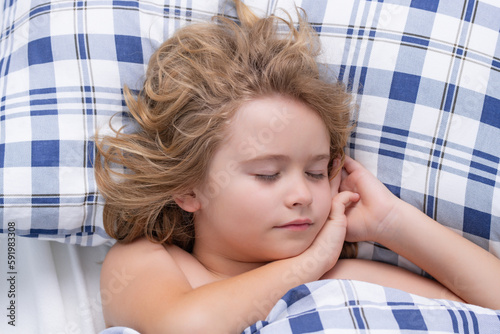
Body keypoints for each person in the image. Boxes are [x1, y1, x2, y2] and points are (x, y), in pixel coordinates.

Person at [95, 1, 500, 333]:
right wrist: (308, 265)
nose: (303, 195)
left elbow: (487, 312)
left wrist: (391, 222)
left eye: (317, 172)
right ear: (188, 188)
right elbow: (184, 327)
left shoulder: (343, 275)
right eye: (268, 174)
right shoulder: (149, 262)